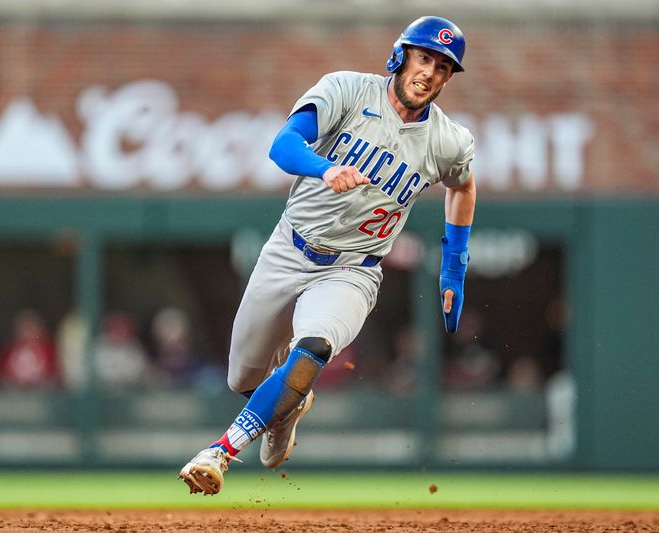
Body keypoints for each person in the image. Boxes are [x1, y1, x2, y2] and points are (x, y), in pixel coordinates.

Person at [179, 15, 477, 495]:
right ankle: (289, 406)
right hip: (289, 248)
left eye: (444, 67)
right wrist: (324, 168)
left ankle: (218, 452)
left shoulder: (448, 140)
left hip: (353, 269)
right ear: (401, 56)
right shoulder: (347, 90)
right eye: (425, 58)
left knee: (313, 347)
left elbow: (463, 186)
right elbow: (283, 145)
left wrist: (454, 265)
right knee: (243, 376)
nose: (431, 73)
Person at [0, 308, 58, 389]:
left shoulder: (48, 349)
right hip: (15, 394)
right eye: (24, 327)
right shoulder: (10, 350)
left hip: (42, 393)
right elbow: (3, 374)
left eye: (31, 326)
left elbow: (54, 374)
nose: (28, 331)